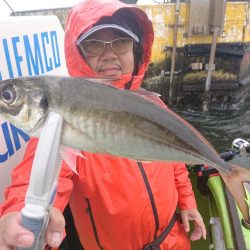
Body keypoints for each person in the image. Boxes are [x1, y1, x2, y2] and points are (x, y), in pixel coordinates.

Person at [0, 0, 206, 249]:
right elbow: (35, 177)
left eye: (120, 41)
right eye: (93, 44)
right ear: (79, 53)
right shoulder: (62, 115)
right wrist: (19, 216)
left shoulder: (153, 105)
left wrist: (187, 201)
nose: (109, 53)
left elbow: (173, 161)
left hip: (173, 239)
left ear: (135, 50)